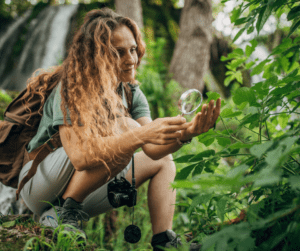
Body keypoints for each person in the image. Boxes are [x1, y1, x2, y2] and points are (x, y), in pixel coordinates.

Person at [18, 8, 221, 251]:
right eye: (118, 52)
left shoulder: (131, 93)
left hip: (80, 193)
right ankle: (63, 210)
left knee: (164, 161)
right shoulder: (72, 86)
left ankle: (164, 240)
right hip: (38, 182)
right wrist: (138, 134)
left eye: (133, 49)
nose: (131, 59)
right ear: (97, 55)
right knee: (125, 130)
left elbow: (153, 150)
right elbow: (81, 156)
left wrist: (187, 134)